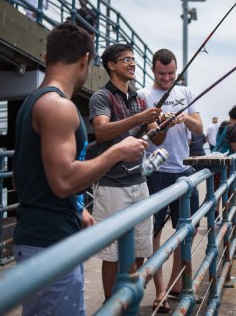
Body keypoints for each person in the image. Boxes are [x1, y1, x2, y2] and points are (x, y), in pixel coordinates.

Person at [12, 23, 149, 316]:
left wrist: (77, 208)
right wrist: (115, 153)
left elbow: (25, 176)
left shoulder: (33, 102)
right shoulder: (59, 107)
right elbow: (62, 181)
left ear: (47, 56)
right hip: (51, 245)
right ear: (86, 60)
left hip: (37, 238)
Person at [88, 43, 165, 302]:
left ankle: (128, 300)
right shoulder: (101, 97)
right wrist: (139, 118)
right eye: (126, 60)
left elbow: (158, 138)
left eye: (133, 60)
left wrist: (165, 123)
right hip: (111, 185)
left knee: (141, 247)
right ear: (111, 65)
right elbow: (101, 131)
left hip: (139, 181)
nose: (132, 64)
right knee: (112, 253)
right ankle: (112, 303)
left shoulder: (139, 98)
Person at [137, 48, 203, 313]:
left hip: (183, 171)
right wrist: (162, 123)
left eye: (171, 73)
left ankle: (177, 283)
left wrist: (183, 117)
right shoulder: (143, 96)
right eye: (162, 73)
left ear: (177, 71)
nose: (167, 78)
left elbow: (197, 128)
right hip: (157, 172)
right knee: (153, 233)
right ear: (153, 70)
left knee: (189, 227)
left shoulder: (185, 93)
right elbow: (153, 137)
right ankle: (160, 291)